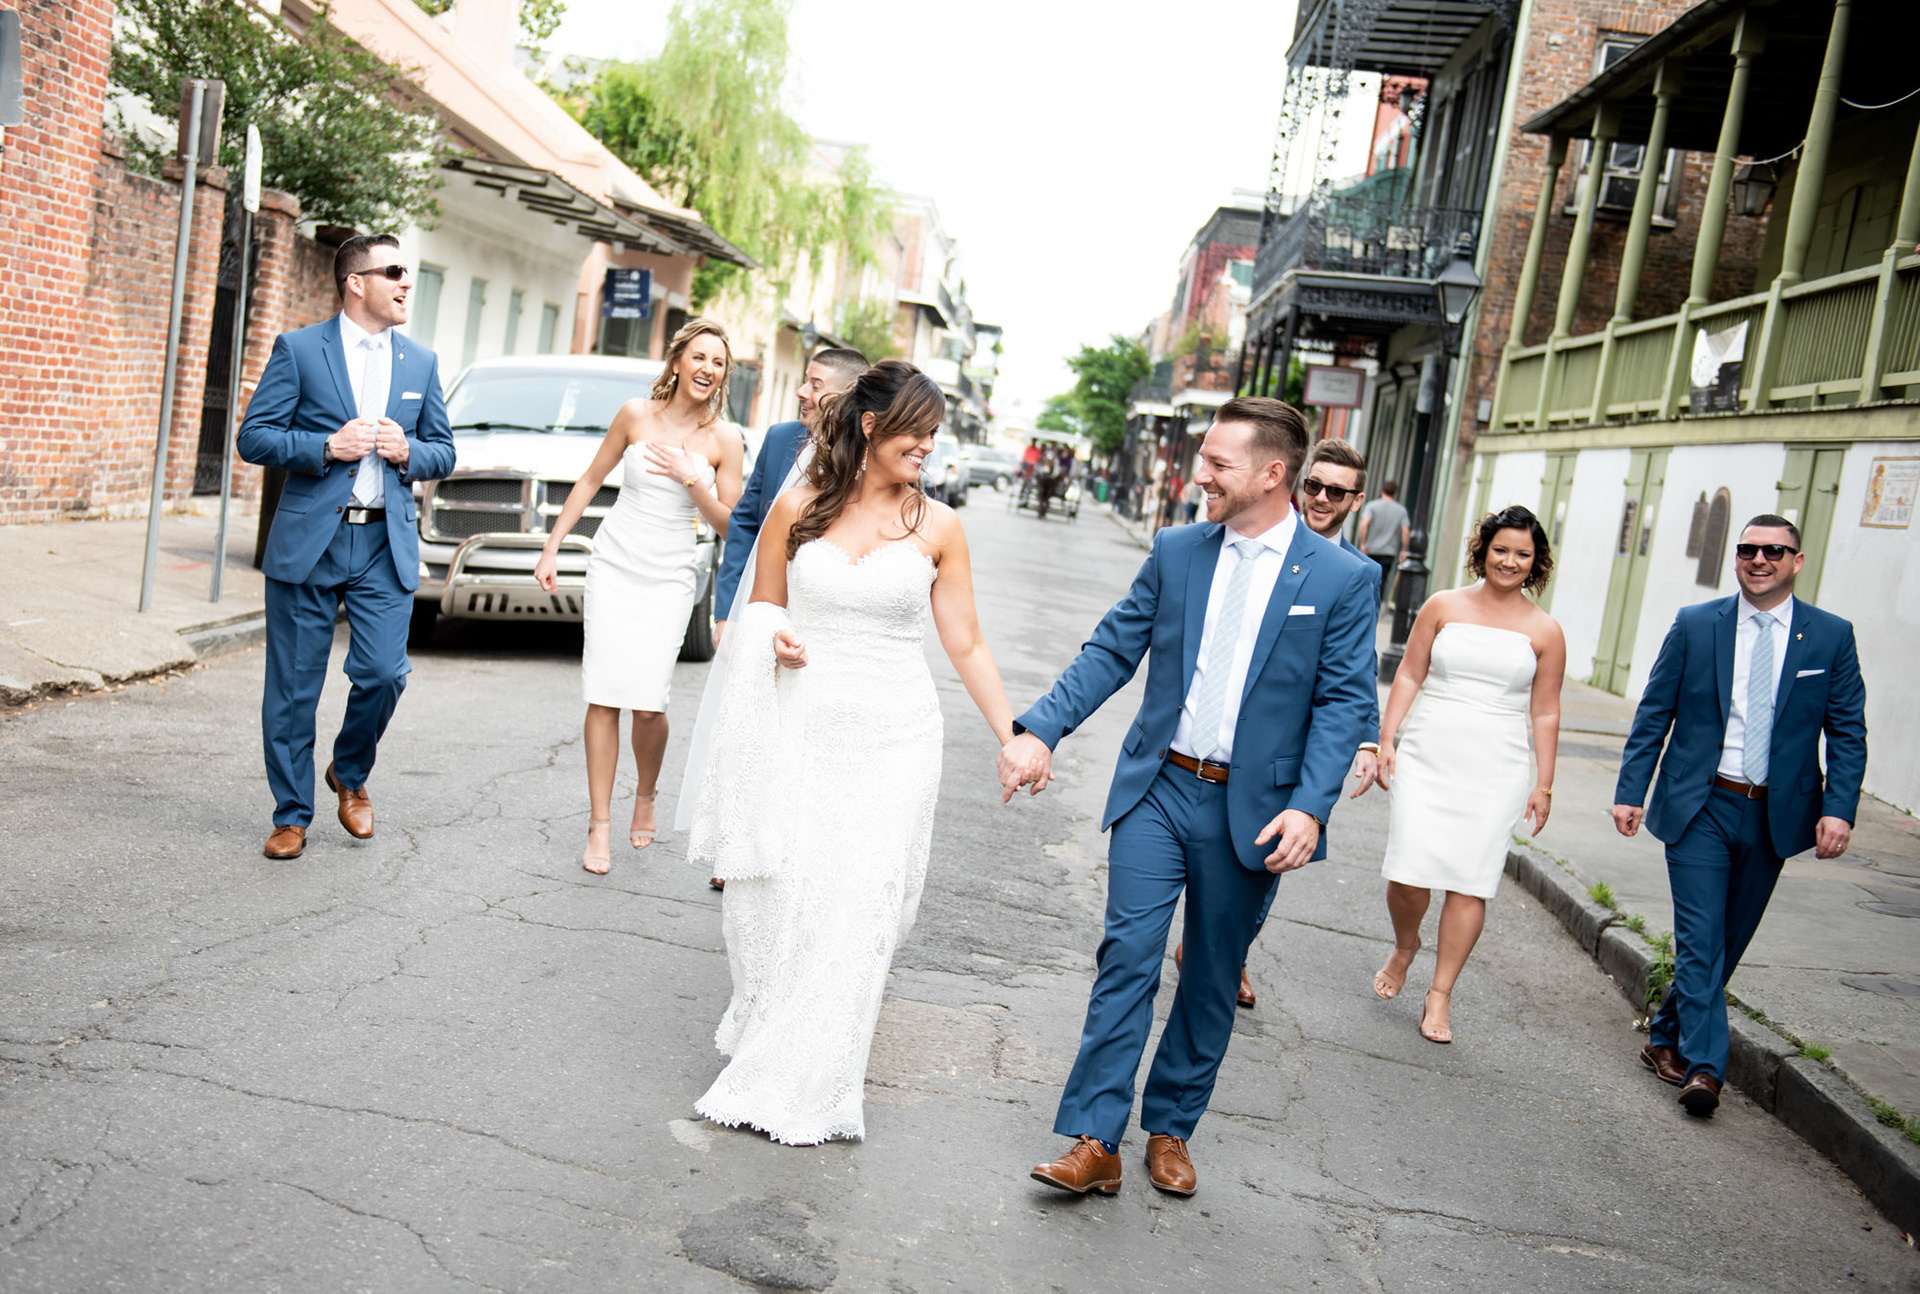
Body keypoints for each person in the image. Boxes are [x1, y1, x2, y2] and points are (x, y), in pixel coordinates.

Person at [999, 396, 1375, 1198]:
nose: (1197, 473)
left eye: (1216, 463)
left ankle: (1170, 1126)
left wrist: (1311, 805)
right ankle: (1096, 1138)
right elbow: (1112, 648)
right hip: (1160, 787)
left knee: (1209, 976)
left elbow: (1346, 703)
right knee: (1127, 957)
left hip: (1255, 809)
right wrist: (1041, 731)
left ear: (1274, 474)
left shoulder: (1343, 579)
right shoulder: (1176, 552)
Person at [687, 360, 1020, 1145]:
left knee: (857, 902)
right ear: (871, 426)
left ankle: (815, 1076)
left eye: (936, 436)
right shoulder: (798, 505)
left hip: (897, 738)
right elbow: (761, 604)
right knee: (789, 892)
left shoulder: (938, 527)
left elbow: (965, 642)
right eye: (919, 431)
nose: (929, 448)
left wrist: (1014, 734)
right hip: (804, 728)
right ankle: (776, 1025)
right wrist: (777, 638)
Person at [1612, 515, 1866, 1116]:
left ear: (1796, 561)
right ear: (1737, 559)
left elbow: (1847, 732)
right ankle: (1707, 1069)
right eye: (1748, 549)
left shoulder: (1829, 636)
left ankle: (1663, 1037)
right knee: (1700, 939)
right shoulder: (1698, 625)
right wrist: (1631, 789)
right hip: (1700, 802)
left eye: (1773, 551)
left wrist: (1840, 809)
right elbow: (1656, 712)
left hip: (1775, 814)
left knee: (1727, 941)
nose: (1759, 559)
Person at [238, 234, 455, 861]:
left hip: (384, 542)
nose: (405, 283)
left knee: (386, 673)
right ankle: (291, 815)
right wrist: (325, 447)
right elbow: (255, 436)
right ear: (356, 282)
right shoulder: (300, 349)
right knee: (294, 686)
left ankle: (349, 773)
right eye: (394, 272)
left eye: (407, 273)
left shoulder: (421, 362)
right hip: (312, 537)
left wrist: (409, 452)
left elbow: (444, 449)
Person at [534, 319, 744, 874]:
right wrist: (553, 548)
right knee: (603, 695)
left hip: (671, 572)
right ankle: (599, 825)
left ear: (723, 376)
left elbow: (730, 525)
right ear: (677, 362)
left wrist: (691, 479)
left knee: (649, 703)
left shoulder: (725, 439)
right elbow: (588, 480)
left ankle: (645, 793)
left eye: (718, 362)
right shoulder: (634, 415)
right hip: (615, 562)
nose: (707, 369)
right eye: (698, 357)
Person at [1363, 505, 1564, 1043]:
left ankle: (1440, 995)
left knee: (1470, 883)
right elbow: (1410, 672)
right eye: (1502, 549)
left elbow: (1545, 711)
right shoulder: (1442, 605)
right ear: (1484, 550)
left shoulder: (1545, 630)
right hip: (1430, 750)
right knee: (1407, 871)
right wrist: (1387, 738)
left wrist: (1543, 784)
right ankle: (1406, 946)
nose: (1510, 561)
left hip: (1496, 764)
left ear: (1536, 562)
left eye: (1523, 554)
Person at [712, 346, 870, 642]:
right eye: (804, 380)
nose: (801, 391)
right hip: (760, 610)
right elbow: (745, 526)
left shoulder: (869, 457)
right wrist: (726, 614)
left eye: (815, 385)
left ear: (848, 394)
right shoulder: (778, 438)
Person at [1356, 480, 1410, 609]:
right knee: (1381, 581)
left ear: (1382, 490)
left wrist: (1363, 543)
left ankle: (1362, 606)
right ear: (1395, 492)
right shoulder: (1401, 510)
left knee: (1365, 579)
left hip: (1370, 550)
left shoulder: (1372, 506)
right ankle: (1375, 608)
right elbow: (1405, 531)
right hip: (1388, 552)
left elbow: (1364, 525)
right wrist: (1404, 550)